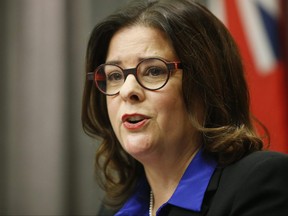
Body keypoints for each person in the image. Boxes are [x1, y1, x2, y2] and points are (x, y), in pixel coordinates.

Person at [81, 0, 288, 215]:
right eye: (115, 75)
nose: (127, 91)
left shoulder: (260, 182)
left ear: (206, 83)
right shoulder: (115, 207)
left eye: (153, 71)